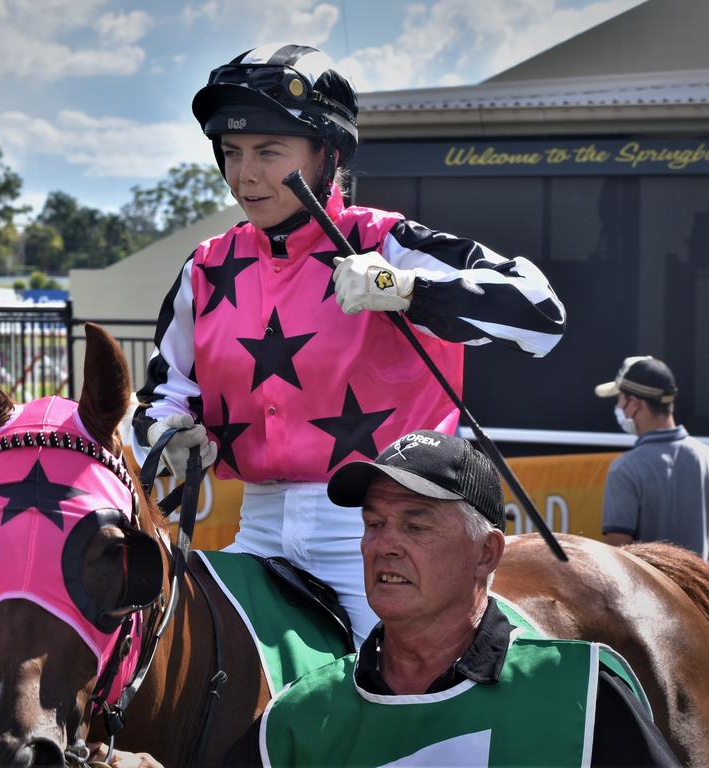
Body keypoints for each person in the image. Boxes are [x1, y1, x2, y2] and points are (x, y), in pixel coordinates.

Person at [131, 42, 566, 645]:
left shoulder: (386, 242)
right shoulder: (207, 267)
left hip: (387, 528)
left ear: (326, 156)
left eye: (268, 152)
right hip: (255, 526)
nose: (244, 176)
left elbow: (542, 313)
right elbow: (164, 393)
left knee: (399, 714)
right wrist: (166, 431)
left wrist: (405, 287)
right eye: (231, 154)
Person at [230, 430, 678, 766]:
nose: (384, 544)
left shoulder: (584, 691)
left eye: (415, 525)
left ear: (486, 553)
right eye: (373, 523)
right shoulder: (297, 716)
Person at [595, 355, 709, 558]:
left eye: (619, 398)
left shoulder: (624, 469)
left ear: (634, 403)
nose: (618, 406)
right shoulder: (705, 456)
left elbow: (617, 559)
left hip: (648, 590)